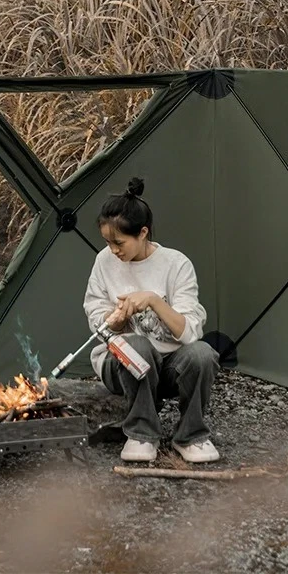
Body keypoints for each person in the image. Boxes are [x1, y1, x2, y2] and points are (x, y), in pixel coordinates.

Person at [83, 176, 220, 463]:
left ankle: (191, 435)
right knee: (136, 344)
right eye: (107, 242)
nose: (113, 250)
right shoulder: (104, 262)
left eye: (119, 242)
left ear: (143, 232)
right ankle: (141, 433)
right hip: (120, 365)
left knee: (203, 354)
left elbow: (190, 332)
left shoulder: (176, 264)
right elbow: (97, 318)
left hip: (169, 369)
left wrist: (154, 300)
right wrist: (116, 321)